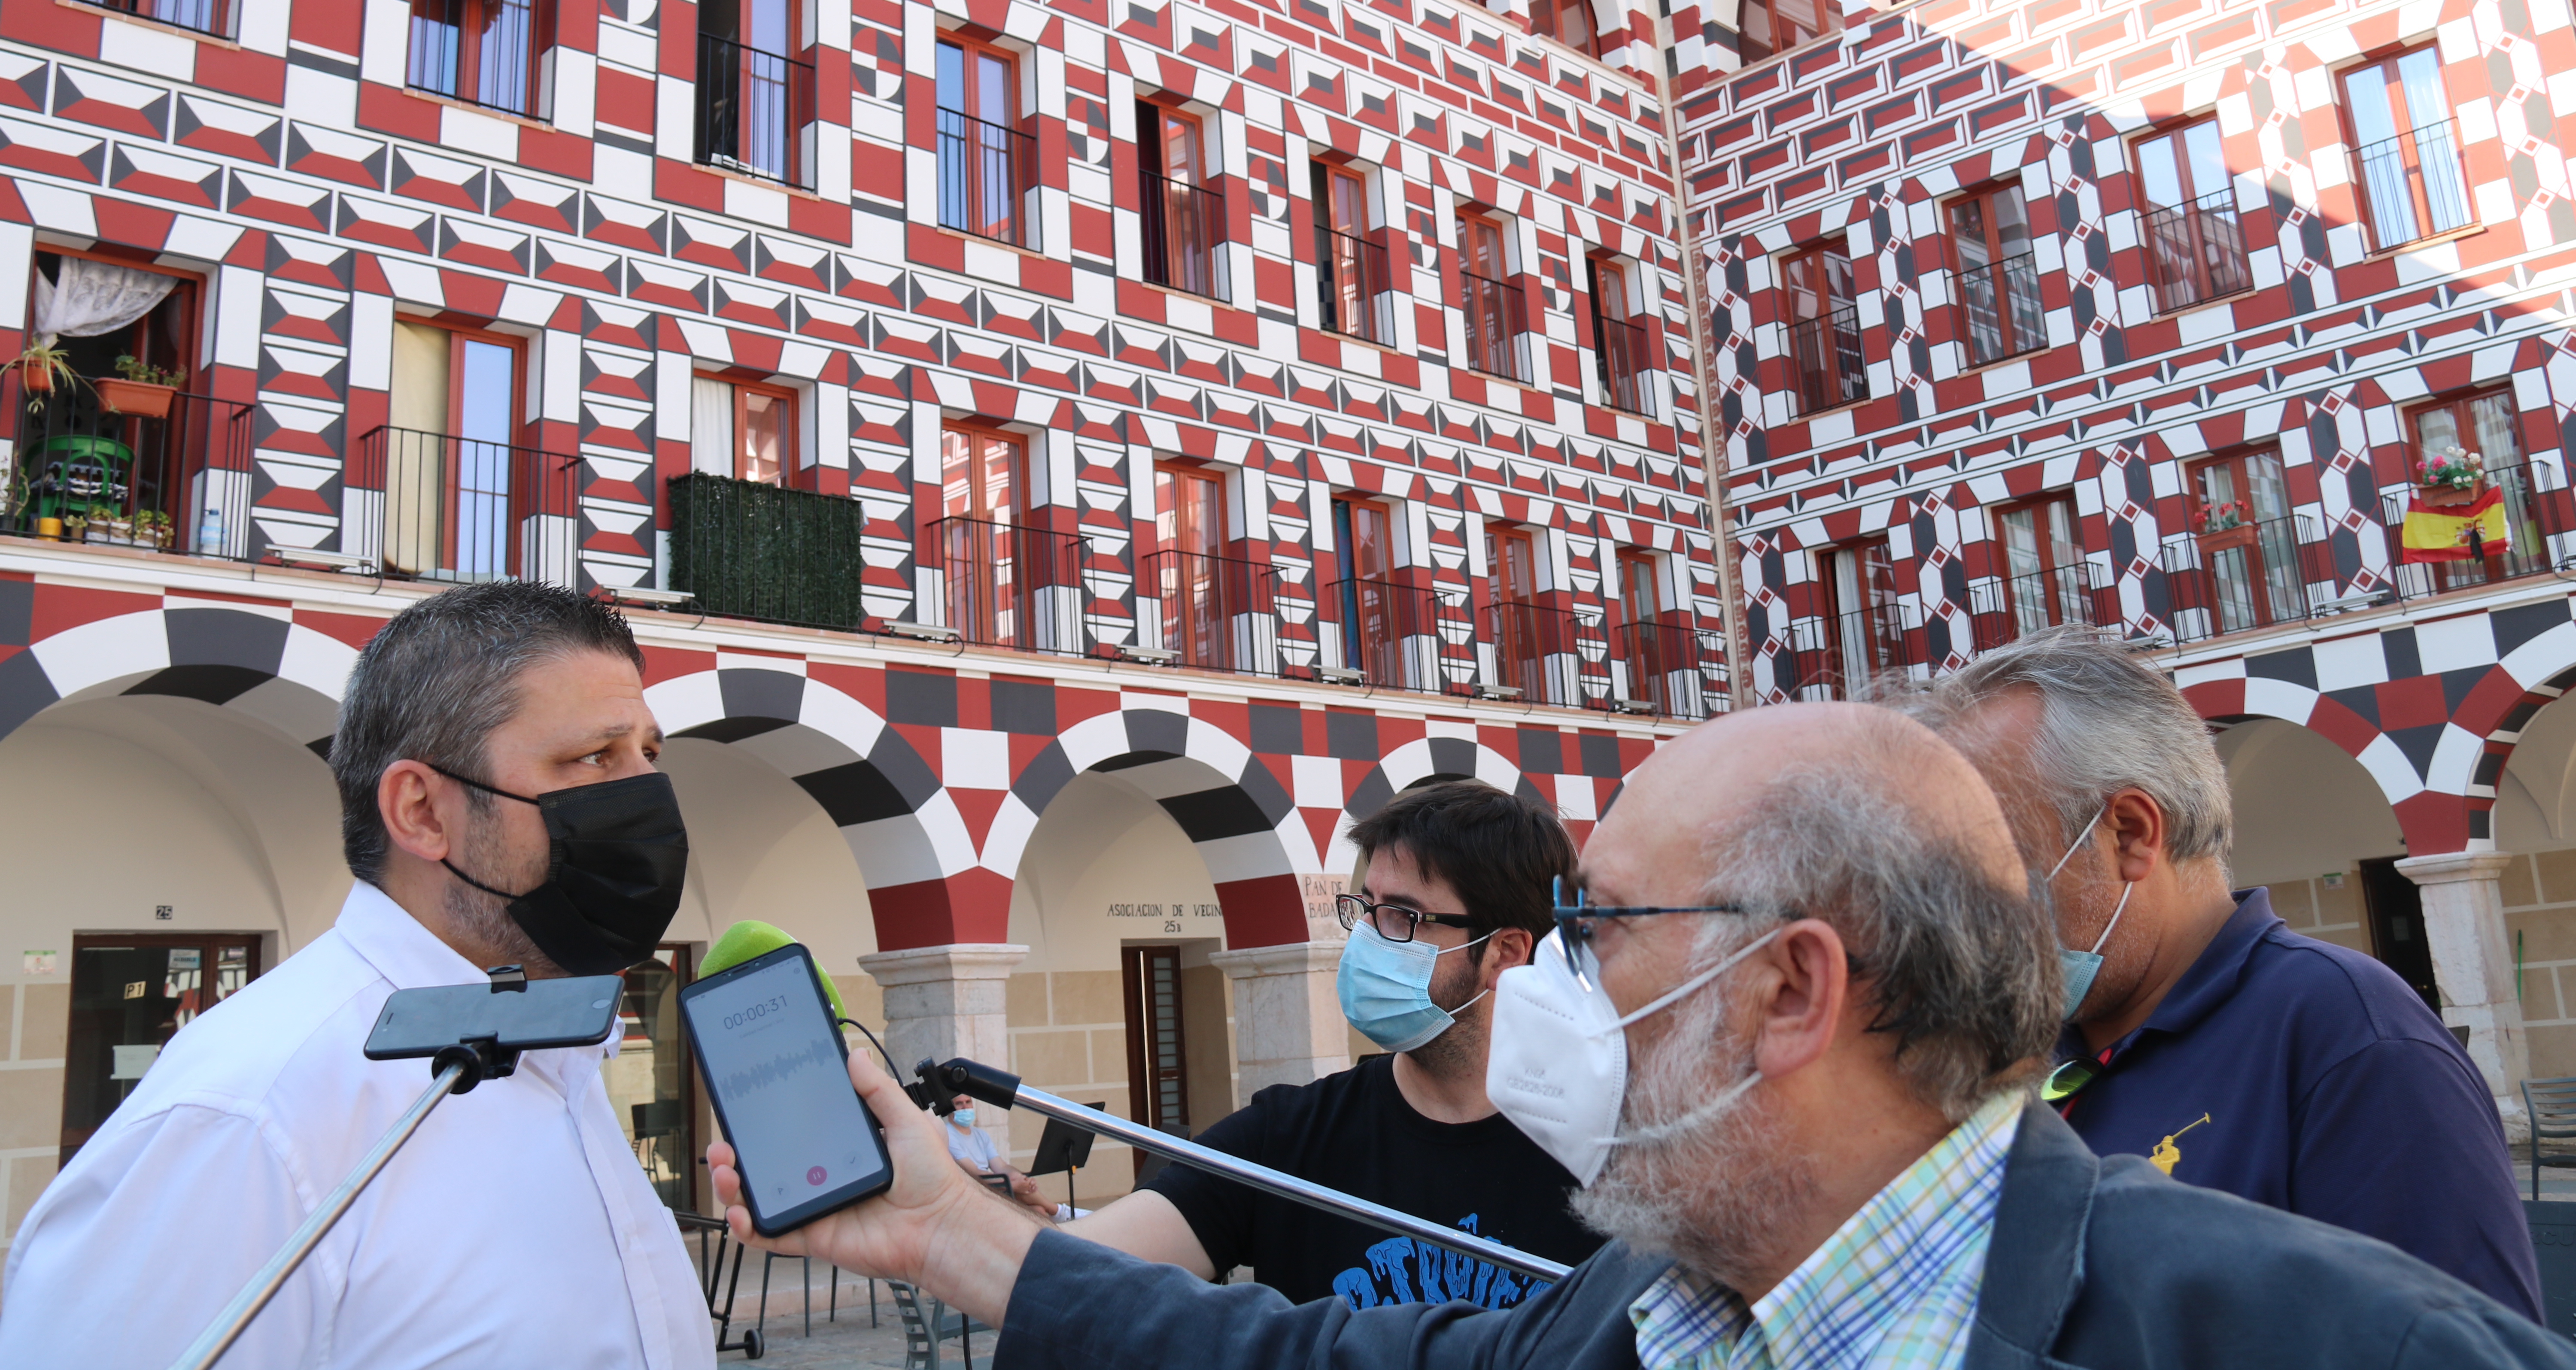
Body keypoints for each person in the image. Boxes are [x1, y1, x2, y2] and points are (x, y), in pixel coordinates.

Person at [707, 703, 2576, 1370]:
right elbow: (1258, 1355)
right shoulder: (1630, 1321)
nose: (1552, 980)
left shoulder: (2322, 1338)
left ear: (1788, 988)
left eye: (1595, 927)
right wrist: (934, 1223)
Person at [0, 582, 712, 1369]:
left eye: (649, 754)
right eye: (593, 757)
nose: (647, 795)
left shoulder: (556, 1054)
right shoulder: (244, 1123)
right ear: (422, 811)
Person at [1894, 627, 2543, 1320]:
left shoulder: (2349, 1035)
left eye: (1996, 865)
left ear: (2132, 833)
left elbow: (2462, 1342)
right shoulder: (2030, 1049)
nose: (1965, 914)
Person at [1065, 778, 1605, 1306]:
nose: (1367, 937)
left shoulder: (1613, 1154)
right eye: (1366, 906)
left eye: (1403, 916)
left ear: (1505, 952)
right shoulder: (1289, 1138)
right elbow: (1072, 1273)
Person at [948, 1091, 1077, 1222]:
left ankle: (1057, 1214)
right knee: (1020, 1188)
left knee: (1039, 1212)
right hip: (973, 1189)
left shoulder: (980, 1135)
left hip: (992, 1186)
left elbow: (1002, 1166)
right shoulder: (948, 1135)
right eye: (959, 1104)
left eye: (968, 1102)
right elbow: (974, 1174)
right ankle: (1059, 1211)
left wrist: (1023, 1179)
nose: (965, 1107)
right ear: (949, 1107)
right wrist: (1012, 1185)